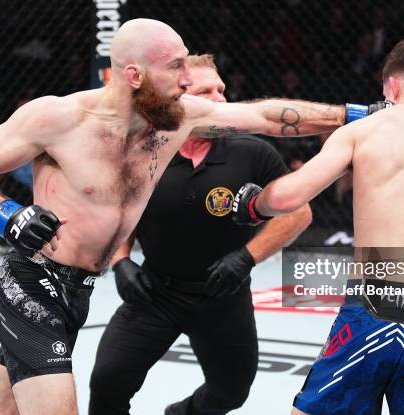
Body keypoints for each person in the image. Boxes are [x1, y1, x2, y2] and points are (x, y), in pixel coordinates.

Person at [0, 18, 383, 415]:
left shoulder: (178, 119)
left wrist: (358, 115)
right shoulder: (58, 117)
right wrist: (6, 214)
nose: (187, 79)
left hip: (79, 290)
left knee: (4, 408)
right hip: (32, 283)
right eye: (175, 67)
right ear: (134, 74)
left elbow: (266, 117)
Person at [232, 39, 404, 415]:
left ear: (391, 86)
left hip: (369, 309)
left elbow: (285, 199)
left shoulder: (362, 133)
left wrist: (251, 204)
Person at [89, 53, 312, 415]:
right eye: (206, 91)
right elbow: (120, 211)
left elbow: (299, 212)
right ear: (179, 97)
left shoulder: (251, 151)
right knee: (107, 381)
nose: (220, 99)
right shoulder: (145, 151)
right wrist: (121, 262)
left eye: (222, 90)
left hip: (223, 295)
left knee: (231, 391)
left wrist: (246, 257)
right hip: (155, 292)